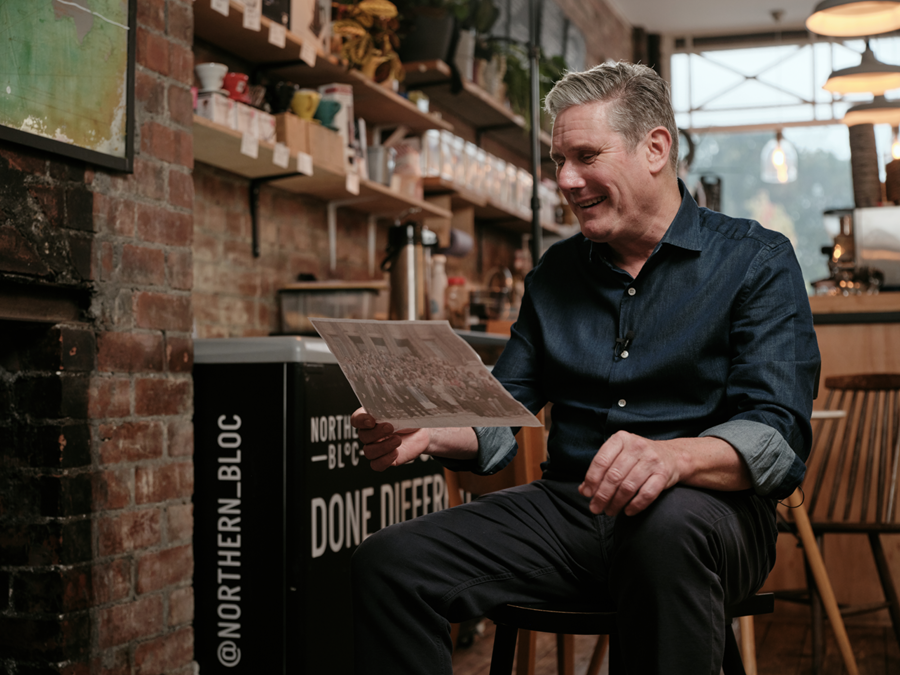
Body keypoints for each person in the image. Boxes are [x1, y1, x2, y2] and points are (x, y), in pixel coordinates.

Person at [349, 61, 820, 675]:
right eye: (558, 161)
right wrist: (433, 430)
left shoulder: (756, 260)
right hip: (570, 511)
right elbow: (503, 408)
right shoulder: (555, 274)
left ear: (656, 149)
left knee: (665, 531)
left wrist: (672, 458)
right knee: (388, 563)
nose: (566, 180)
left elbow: (778, 435)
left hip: (706, 514)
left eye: (586, 156)